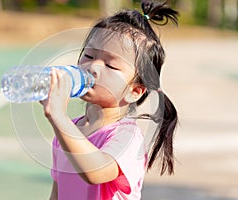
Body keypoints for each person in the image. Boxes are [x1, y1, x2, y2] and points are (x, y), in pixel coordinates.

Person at [41, 0, 179, 199]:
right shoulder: (67, 131)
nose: (93, 67)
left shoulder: (128, 138)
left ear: (135, 91)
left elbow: (95, 172)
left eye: (111, 65)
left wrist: (58, 118)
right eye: (88, 55)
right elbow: (57, 193)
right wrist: (61, 122)